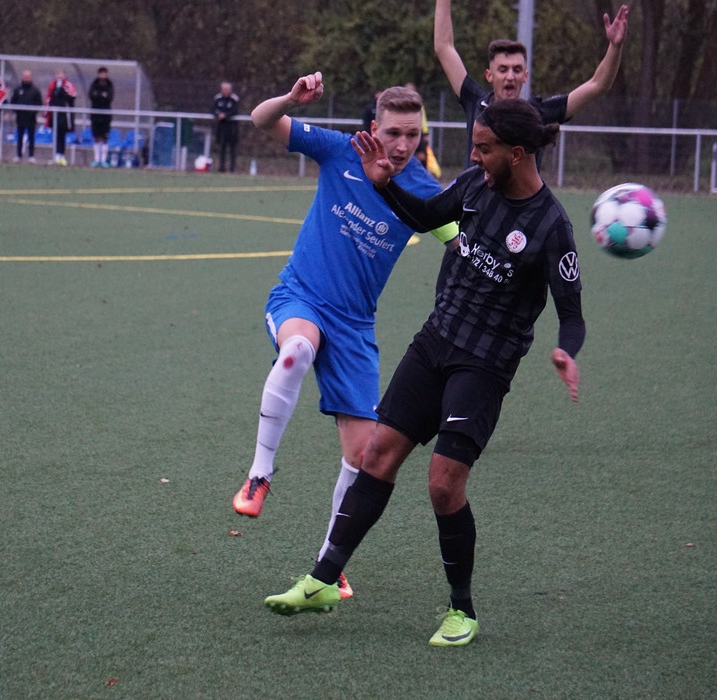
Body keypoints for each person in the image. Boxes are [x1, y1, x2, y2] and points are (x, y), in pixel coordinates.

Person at [264, 98, 584, 649]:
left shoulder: (552, 226)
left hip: (484, 363)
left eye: (484, 148)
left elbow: (572, 315)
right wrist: (384, 185)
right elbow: (425, 217)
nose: (474, 156)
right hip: (435, 341)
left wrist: (565, 350)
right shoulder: (476, 185)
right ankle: (322, 580)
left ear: (517, 153)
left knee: (442, 482)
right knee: (376, 456)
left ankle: (462, 610)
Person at [233, 72, 459, 599]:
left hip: (356, 328)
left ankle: (327, 564)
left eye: (413, 134)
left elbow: (461, 245)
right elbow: (262, 120)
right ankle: (260, 474)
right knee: (297, 349)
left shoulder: (423, 190)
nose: (402, 144)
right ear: (374, 128)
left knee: (363, 459)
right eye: (393, 132)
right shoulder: (340, 150)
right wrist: (290, 98)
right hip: (302, 298)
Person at [434, 0, 628, 166]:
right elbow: (444, 47)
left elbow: (598, 84)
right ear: (489, 75)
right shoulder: (475, 103)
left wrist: (615, 46)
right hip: (475, 201)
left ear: (525, 76)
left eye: (517, 70)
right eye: (503, 69)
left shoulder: (538, 113)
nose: (510, 76)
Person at [10, 69, 43, 163]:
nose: (26, 78)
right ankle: (18, 156)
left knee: (31, 137)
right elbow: (13, 102)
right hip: (20, 118)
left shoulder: (35, 90)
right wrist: (17, 111)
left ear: (30, 78)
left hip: (31, 119)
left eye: (28, 77)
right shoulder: (18, 90)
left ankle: (31, 156)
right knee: (20, 137)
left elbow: (39, 103)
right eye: (25, 77)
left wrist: (33, 112)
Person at [46, 69, 77, 166]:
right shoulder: (53, 85)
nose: (59, 76)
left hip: (64, 115)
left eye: (60, 74)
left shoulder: (68, 85)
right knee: (56, 135)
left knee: (62, 136)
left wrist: (62, 89)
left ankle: (62, 156)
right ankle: (56, 156)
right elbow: (50, 98)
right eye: (57, 74)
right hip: (55, 115)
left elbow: (71, 97)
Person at [88, 67, 115, 167]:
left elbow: (110, 97)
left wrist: (101, 96)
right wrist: (101, 95)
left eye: (105, 73)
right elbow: (91, 95)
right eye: (101, 73)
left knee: (105, 137)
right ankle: (96, 159)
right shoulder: (94, 84)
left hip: (106, 116)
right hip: (95, 115)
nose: (103, 75)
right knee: (96, 137)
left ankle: (103, 160)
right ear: (98, 74)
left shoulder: (109, 85)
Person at [212, 81, 240, 173]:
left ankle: (232, 168)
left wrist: (226, 115)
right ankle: (221, 168)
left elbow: (235, 110)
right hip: (221, 128)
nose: (225, 91)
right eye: (224, 89)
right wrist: (218, 115)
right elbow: (213, 109)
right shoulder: (218, 98)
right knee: (222, 147)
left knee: (232, 149)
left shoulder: (234, 99)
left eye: (227, 89)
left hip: (232, 128)